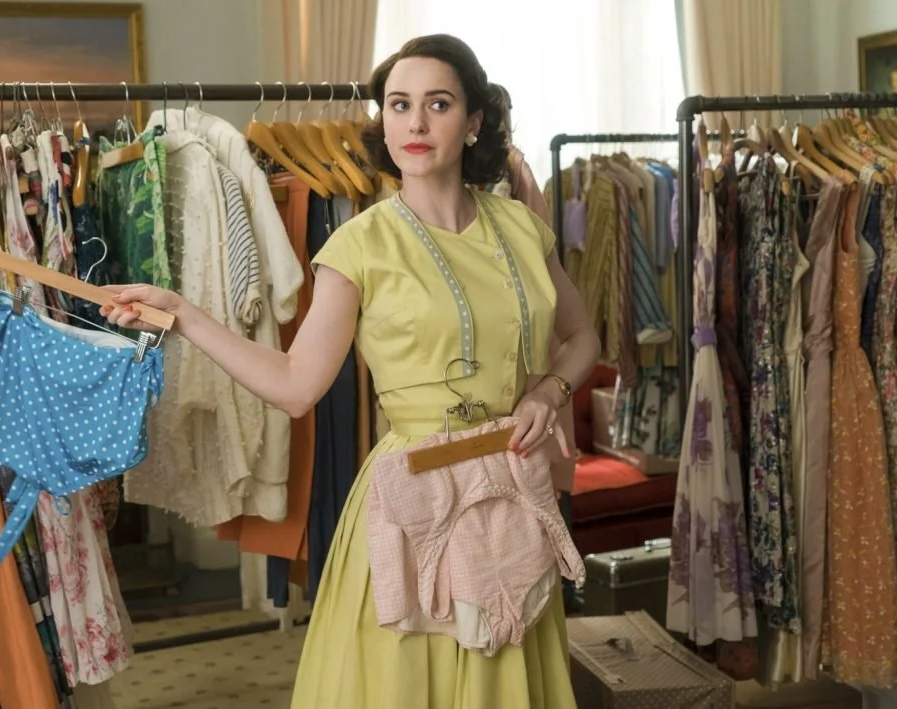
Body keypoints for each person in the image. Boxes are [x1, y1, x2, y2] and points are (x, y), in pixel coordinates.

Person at [102, 33, 600, 709]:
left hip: (512, 487)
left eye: (438, 104)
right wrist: (185, 315)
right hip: (415, 497)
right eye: (399, 105)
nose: (416, 123)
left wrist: (550, 390)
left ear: (473, 121)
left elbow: (581, 337)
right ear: (383, 123)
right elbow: (295, 385)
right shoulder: (358, 244)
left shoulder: (520, 226)